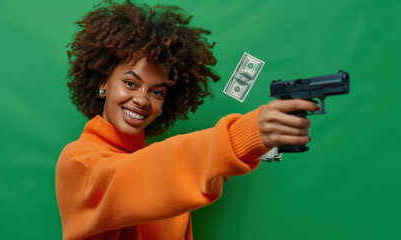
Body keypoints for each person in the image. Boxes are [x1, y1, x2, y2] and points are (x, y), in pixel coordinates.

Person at [55, 0, 318, 239]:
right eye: (130, 83)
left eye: (157, 91)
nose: (143, 100)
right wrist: (245, 134)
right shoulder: (80, 164)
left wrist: (225, 164)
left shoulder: (174, 180)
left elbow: (170, 173)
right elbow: (142, 176)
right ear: (102, 82)